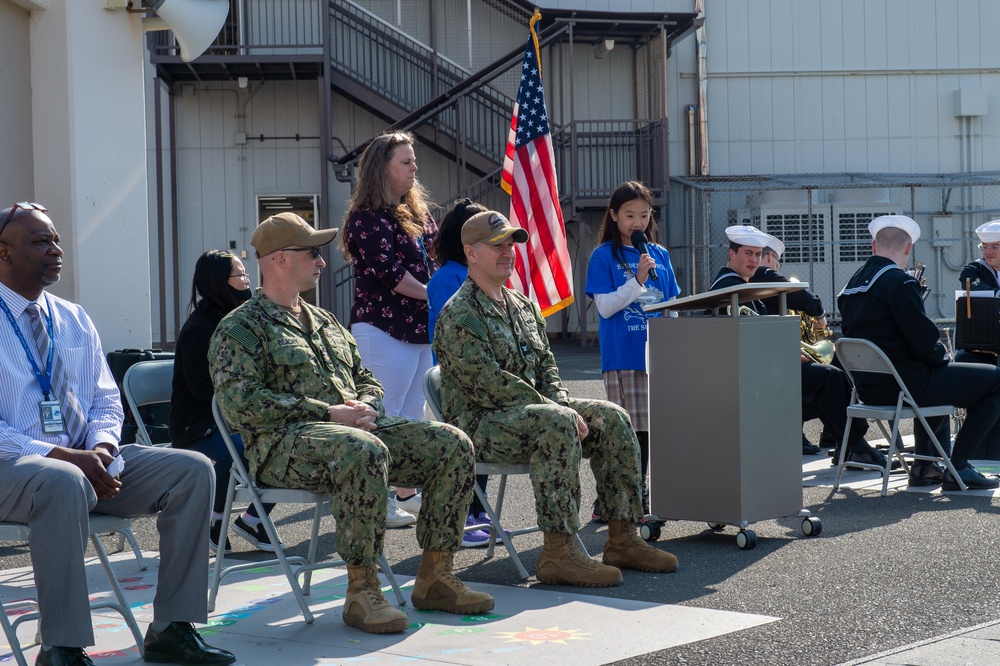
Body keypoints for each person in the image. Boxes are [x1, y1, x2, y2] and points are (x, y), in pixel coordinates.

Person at [210, 212, 493, 635]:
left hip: (351, 433)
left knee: (451, 443)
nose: (322, 262)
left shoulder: (325, 321)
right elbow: (241, 404)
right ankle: (362, 592)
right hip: (282, 448)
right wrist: (328, 413)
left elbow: (365, 376)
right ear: (280, 260)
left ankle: (435, 576)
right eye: (312, 253)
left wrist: (365, 404)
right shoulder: (240, 328)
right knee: (361, 450)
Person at [0, 203, 235, 666]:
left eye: (56, 239)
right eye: (40, 242)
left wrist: (105, 447)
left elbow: (107, 399)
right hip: (19, 467)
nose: (56, 249)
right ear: (3, 253)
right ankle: (62, 648)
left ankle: (172, 627)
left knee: (192, 469)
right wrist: (63, 456)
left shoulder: (71, 317)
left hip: (87, 465)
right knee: (61, 480)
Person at [433, 210, 678, 588]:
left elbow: (547, 368)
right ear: (470, 252)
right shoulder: (459, 313)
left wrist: (559, 401)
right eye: (496, 245)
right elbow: (491, 385)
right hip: (479, 424)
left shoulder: (523, 305)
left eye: (511, 244)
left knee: (612, 416)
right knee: (558, 422)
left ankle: (622, 537)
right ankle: (558, 552)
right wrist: (557, 409)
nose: (507, 252)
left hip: (530, 414)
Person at [838, 215, 1000, 488]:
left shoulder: (851, 286)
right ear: (908, 249)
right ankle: (959, 465)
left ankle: (925, 466)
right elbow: (925, 343)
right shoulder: (899, 282)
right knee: (995, 380)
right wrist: (942, 356)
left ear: (873, 247)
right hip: (904, 386)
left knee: (940, 376)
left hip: (867, 387)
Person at [714, 226, 890, 468]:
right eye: (747, 253)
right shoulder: (729, 287)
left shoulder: (740, 285)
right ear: (732, 255)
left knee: (826, 379)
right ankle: (855, 446)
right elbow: (741, 339)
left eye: (757, 254)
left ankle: (850, 446)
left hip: (759, 372)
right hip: (751, 379)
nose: (754, 260)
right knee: (830, 379)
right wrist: (784, 354)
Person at [341, 130, 437, 526]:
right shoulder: (366, 219)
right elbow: (389, 273)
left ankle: (406, 491)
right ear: (382, 168)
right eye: (406, 161)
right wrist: (436, 297)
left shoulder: (418, 214)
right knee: (383, 413)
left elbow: (432, 260)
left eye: (413, 160)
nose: (415, 167)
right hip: (382, 328)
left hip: (417, 330)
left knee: (413, 415)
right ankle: (376, 501)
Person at [170, 249, 281, 554]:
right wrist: (250, 397)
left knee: (289, 442)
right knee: (261, 448)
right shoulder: (200, 328)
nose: (248, 281)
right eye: (241, 275)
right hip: (199, 426)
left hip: (235, 421)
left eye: (246, 274)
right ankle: (221, 520)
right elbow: (202, 388)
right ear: (220, 281)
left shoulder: (242, 319)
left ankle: (251, 520)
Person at [584, 181, 680, 521]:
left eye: (643, 214)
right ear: (613, 215)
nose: (637, 222)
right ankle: (624, 495)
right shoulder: (602, 256)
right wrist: (637, 280)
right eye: (629, 215)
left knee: (652, 429)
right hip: (625, 355)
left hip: (659, 355)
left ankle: (631, 493)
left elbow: (672, 304)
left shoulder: (660, 254)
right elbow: (606, 308)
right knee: (627, 431)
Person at [426, 198, 502, 549]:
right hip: (461, 380)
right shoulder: (446, 279)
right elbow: (453, 336)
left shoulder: (486, 276)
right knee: (471, 439)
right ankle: (468, 514)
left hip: (488, 376)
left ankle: (478, 511)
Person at [956, 219, 1000, 366]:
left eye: (995, 247)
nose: (988, 252)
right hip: (982, 336)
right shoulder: (974, 269)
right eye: (985, 247)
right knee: (963, 358)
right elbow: (975, 287)